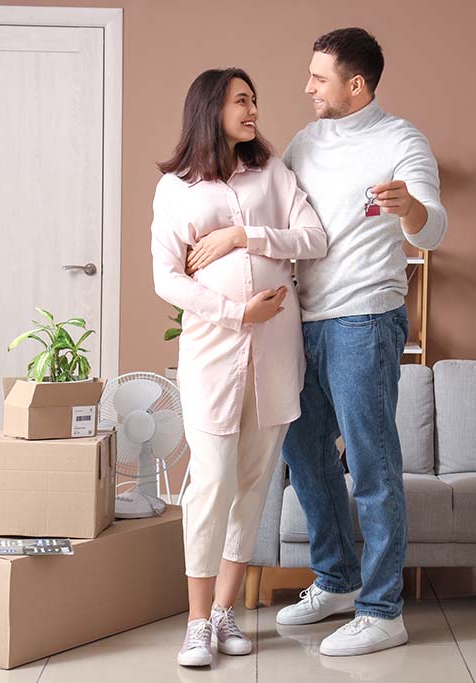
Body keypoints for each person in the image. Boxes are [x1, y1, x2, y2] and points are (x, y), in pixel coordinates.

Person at [276, 27, 447, 657]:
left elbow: (434, 231)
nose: (307, 87)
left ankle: (382, 610)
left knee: (372, 465)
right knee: (305, 454)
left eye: (319, 78)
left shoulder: (402, 141)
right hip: (302, 320)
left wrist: (409, 211)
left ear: (357, 84)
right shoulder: (304, 142)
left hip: (365, 321)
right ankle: (339, 580)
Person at [150, 67, 327, 668]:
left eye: (254, 99)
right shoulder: (177, 186)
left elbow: (313, 239)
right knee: (212, 482)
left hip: (275, 354)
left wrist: (240, 237)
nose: (253, 110)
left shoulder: (272, 173)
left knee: (252, 486)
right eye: (241, 101)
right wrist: (236, 312)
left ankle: (225, 612)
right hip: (212, 353)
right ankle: (196, 622)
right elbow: (166, 277)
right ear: (210, 108)